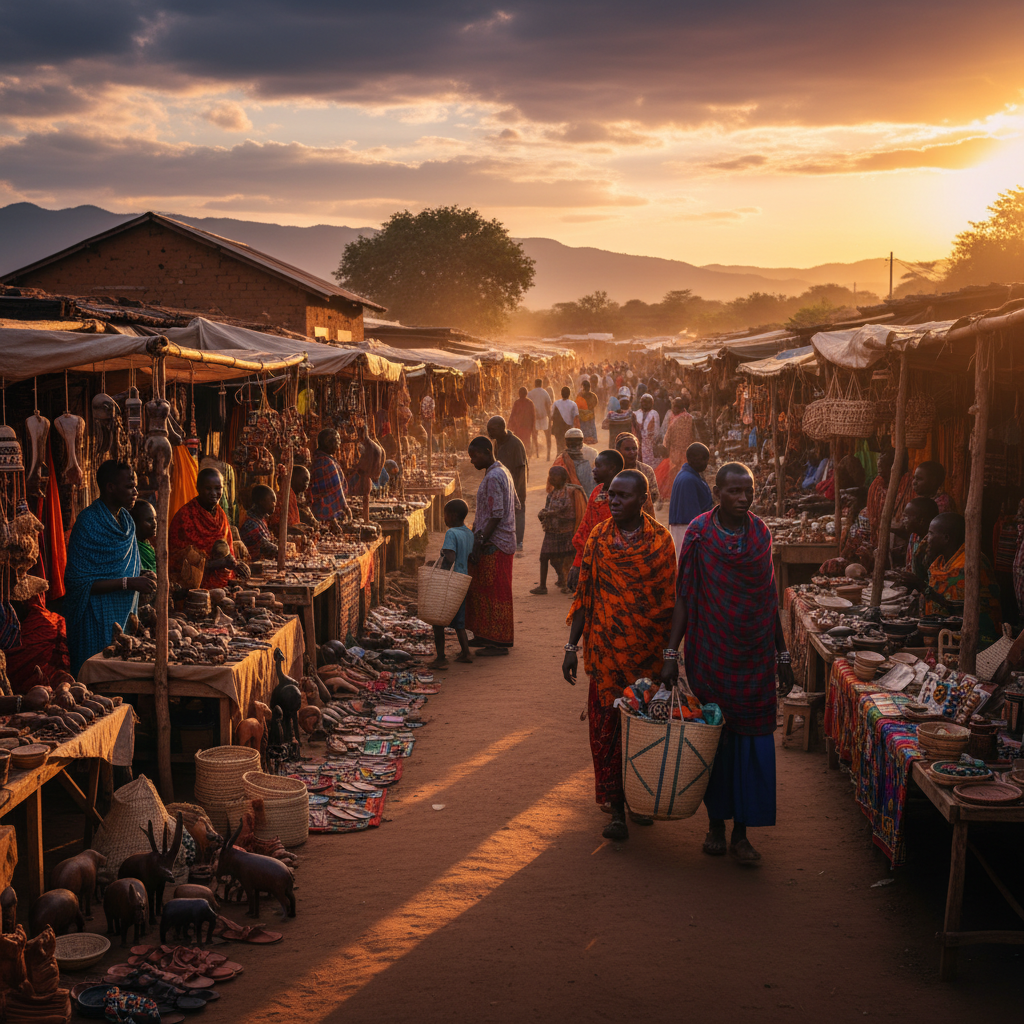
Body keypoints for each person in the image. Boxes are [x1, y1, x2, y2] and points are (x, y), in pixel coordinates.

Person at [662, 462, 794, 865]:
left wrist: (782, 654)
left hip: (754, 658)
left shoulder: (760, 534)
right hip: (710, 653)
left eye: (748, 491)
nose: (742, 498)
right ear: (716, 492)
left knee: (752, 744)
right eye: (733, 491)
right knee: (715, 740)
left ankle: (743, 833)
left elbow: (769, 598)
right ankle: (716, 825)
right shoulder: (700, 533)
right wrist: (671, 654)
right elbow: (684, 595)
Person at [562, 469, 677, 840]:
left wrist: (671, 657)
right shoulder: (598, 537)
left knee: (644, 730)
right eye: (611, 494)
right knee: (607, 730)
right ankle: (614, 807)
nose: (613, 501)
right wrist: (570, 647)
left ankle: (639, 799)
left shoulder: (661, 542)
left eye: (623, 496)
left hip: (648, 656)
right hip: (606, 654)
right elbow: (585, 597)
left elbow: (672, 603)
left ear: (643, 500)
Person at [64, 460, 155, 674]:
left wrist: (141, 575)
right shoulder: (88, 523)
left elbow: (124, 569)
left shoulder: (127, 521)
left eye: (135, 486)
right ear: (110, 487)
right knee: (97, 680)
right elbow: (79, 583)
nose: (135, 491)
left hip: (124, 616)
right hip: (94, 618)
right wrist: (129, 582)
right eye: (129, 486)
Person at [894, 512, 1002, 643]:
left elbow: (957, 610)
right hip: (945, 634)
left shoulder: (969, 565)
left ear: (946, 538)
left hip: (976, 639)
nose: (926, 538)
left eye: (931, 533)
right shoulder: (941, 561)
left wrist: (921, 586)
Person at [466, 436, 520, 654]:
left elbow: (497, 513)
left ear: (487, 451)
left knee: (495, 592)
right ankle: (483, 633)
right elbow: (514, 504)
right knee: (482, 589)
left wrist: (480, 540)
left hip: (495, 543)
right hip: (498, 541)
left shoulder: (494, 477)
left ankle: (498, 641)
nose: (472, 461)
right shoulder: (502, 471)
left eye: (475, 455)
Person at [168, 466, 241, 589]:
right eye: (208, 488)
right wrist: (218, 563)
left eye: (218, 489)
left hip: (223, 584)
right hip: (194, 589)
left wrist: (235, 565)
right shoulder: (185, 516)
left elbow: (228, 549)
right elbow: (177, 561)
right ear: (198, 488)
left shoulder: (221, 514)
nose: (213, 493)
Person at [566, 449, 624, 590]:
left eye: (598, 466)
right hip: (596, 560)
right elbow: (585, 528)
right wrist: (577, 563)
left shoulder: (625, 494)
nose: (594, 470)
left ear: (611, 468)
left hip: (620, 562)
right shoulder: (597, 492)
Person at [427, 499, 475, 671]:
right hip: (463, 580)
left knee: (438, 619)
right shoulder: (469, 533)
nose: (444, 518)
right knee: (459, 620)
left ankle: (441, 658)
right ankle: (466, 653)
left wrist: (439, 572)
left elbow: (450, 557)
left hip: (450, 580)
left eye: (445, 515)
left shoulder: (451, 533)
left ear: (453, 516)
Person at [532, 466, 578, 595]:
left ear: (563, 478)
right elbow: (548, 509)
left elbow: (569, 512)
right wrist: (543, 513)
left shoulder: (569, 492)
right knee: (545, 557)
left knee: (564, 559)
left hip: (566, 532)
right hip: (552, 531)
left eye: (554, 476)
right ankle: (543, 586)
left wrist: (549, 514)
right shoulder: (552, 494)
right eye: (550, 475)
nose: (551, 478)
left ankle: (566, 582)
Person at [488, 415, 528, 555]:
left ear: (501, 428)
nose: (489, 433)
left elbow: (521, 469)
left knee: (518, 510)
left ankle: (519, 542)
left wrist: (517, 491)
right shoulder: (497, 443)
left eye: (492, 430)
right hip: (504, 484)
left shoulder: (515, 444)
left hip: (516, 484)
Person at [668, 442, 713, 558]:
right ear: (693, 459)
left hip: (683, 527)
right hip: (686, 528)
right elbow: (692, 513)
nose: (706, 463)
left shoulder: (688, 475)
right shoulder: (688, 480)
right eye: (703, 459)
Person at [310, 429, 350, 531]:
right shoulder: (326, 462)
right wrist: (345, 507)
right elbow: (334, 492)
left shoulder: (320, 459)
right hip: (324, 513)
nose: (339, 444)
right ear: (328, 443)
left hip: (326, 513)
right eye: (336, 440)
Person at [614, 432, 658, 515]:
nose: (632, 452)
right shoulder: (612, 471)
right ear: (618, 451)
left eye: (634, 448)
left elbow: (654, 494)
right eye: (627, 449)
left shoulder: (646, 470)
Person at [553, 427, 600, 497]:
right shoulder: (593, 453)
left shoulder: (559, 460)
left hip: (565, 500)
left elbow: (551, 486)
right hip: (587, 498)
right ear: (582, 442)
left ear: (566, 443)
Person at [272, 465, 316, 537]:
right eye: (304, 480)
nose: (307, 484)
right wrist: (300, 531)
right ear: (293, 479)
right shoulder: (284, 497)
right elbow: (278, 527)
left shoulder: (295, 498)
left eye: (307, 481)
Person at [239, 484, 280, 561]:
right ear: (261, 501)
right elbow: (267, 547)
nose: (275, 505)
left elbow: (271, 541)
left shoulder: (260, 519)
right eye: (272, 501)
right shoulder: (250, 523)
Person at [663, 396, 695, 488]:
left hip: (675, 452)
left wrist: (665, 447)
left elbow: (667, 437)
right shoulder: (690, 418)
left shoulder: (675, 420)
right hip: (687, 451)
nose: (673, 409)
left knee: (676, 472)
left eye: (675, 406)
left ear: (680, 408)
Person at [527, 378, 554, 459]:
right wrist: (550, 419)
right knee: (547, 436)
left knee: (534, 435)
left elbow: (528, 405)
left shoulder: (530, 393)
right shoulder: (545, 392)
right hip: (544, 417)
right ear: (541, 384)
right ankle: (548, 454)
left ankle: (537, 452)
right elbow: (548, 405)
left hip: (535, 417)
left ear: (535, 384)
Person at [130, 500, 158, 573]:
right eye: (149, 520)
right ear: (135, 523)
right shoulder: (132, 550)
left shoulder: (147, 545)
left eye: (155, 519)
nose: (155, 524)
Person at [551, 386, 580, 452]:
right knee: (567, 446)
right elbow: (576, 418)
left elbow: (551, 416)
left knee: (559, 446)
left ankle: (559, 459)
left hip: (557, 429)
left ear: (561, 394)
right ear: (569, 394)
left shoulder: (556, 403)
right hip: (568, 428)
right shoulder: (573, 404)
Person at [635, 393, 661, 466]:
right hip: (638, 444)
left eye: (648, 402)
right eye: (644, 402)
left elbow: (656, 431)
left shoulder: (654, 413)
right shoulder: (637, 413)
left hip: (650, 445)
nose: (645, 404)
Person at [508, 387, 537, 451]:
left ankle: (521, 454)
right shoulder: (530, 403)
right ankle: (526, 455)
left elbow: (512, 415)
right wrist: (533, 428)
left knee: (518, 442)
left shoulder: (517, 403)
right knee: (526, 442)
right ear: (526, 394)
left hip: (518, 427)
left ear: (519, 394)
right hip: (527, 427)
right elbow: (533, 417)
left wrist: (509, 426)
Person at [575, 379, 599, 445]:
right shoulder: (593, 395)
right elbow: (595, 403)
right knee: (591, 426)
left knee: (583, 427)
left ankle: (584, 440)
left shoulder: (580, 395)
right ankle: (593, 439)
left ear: (583, 387)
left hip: (582, 415)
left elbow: (576, 405)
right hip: (591, 414)